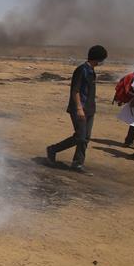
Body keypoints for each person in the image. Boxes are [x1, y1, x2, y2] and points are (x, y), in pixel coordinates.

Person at [46, 45, 108, 173]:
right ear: (98, 59)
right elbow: (75, 90)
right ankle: (53, 149)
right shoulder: (82, 70)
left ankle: (77, 163)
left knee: (85, 137)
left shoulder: (91, 71)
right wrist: (79, 108)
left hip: (90, 109)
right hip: (80, 109)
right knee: (80, 136)